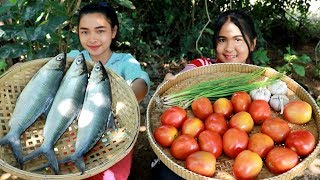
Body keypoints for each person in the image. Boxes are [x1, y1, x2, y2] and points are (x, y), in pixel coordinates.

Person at [151, 9, 257, 179]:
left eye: (238, 39)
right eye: (222, 40)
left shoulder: (259, 81)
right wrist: (172, 82)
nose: (229, 48)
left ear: (252, 44)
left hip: (240, 155)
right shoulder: (200, 66)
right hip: (197, 149)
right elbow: (182, 80)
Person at [67, 2, 150, 180]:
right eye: (85, 31)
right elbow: (49, 72)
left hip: (113, 140)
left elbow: (141, 83)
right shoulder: (75, 58)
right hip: (73, 136)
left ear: (113, 32)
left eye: (100, 30)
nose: (92, 38)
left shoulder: (124, 62)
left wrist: (117, 103)